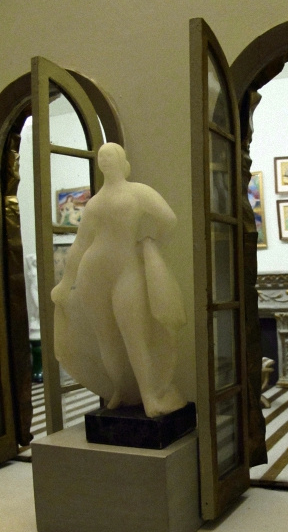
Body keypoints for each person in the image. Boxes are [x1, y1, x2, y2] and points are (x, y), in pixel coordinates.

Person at [51, 143, 187, 418]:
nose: (104, 158)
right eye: (101, 155)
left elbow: (169, 219)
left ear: (122, 160)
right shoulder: (95, 203)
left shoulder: (138, 192)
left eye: (110, 154)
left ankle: (149, 396)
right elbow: (80, 244)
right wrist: (66, 282)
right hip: (93, 273)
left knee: (135, 335)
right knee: (106, 338)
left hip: (126, 270)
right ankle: (120, 391)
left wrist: (150, 240)